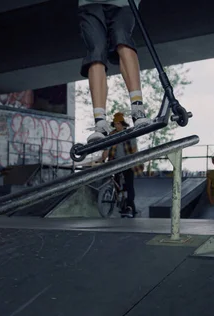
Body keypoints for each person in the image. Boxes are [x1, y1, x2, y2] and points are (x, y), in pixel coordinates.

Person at [78, 0, 151, 143]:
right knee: (96, 51)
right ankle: (100, 123)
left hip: (123, 3)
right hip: (90, 3)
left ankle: (138, 109)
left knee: (122, 38)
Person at [97, 112, 144, 218]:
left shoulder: (129, 134)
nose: (117, 126)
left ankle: (130, 207)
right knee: (116, 183)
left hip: (128, 162)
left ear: (122, 124)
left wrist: (134, 160)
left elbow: (134, 149)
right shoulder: (112, 135)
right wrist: (103, 157)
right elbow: (107, 148)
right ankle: (119, 202)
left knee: (129, 185)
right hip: (115, 163)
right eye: (115, 124)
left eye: (119, 124)